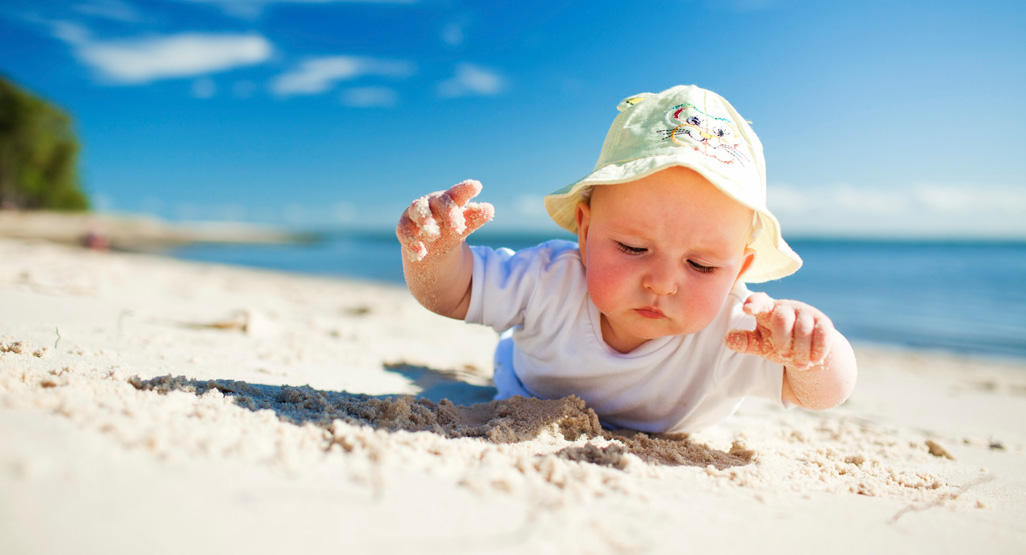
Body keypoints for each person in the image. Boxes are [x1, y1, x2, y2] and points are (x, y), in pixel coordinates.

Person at [396, 84, 856, 433]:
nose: (662, 282)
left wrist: (810, 351)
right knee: (506, 349)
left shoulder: (737, 331)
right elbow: (455, 294)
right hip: (527, 386)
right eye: (634, 248)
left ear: (740, 270)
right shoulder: (550, 279)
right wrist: (434, 256)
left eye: (702, 265)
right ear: (586, 229)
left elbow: (822, 395)